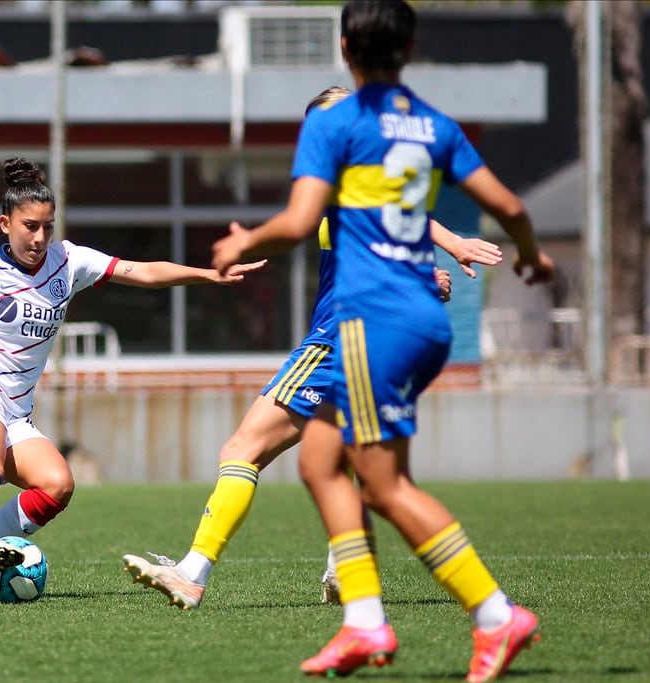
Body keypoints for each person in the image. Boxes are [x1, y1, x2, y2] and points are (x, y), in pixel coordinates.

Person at [210, 2, 556, 680]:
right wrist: (532, 254)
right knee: (320, 462)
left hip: (375, 323)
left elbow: (300, 221)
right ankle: (364, 621)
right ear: (411, 49)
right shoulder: (435, 125)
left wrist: (244, 240)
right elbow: (510, 206)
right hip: (421, 322)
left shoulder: (334, 123)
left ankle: (495, 615)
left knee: (385, 486)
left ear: (345, 48)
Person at [122, 85, 504, 611]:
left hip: (334, 345)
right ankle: (348, 571)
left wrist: (247, 242)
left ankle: (192, 573)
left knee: (242, 450)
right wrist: (435, 262)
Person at [0, 157, 266, 601]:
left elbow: (144, 271)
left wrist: (207, 275)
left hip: (16, 410)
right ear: (5, 224)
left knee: (57, 484)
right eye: (29, 226)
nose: (39, 238)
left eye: (47, 227)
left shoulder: (69, 261)